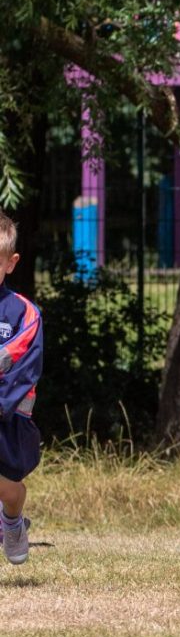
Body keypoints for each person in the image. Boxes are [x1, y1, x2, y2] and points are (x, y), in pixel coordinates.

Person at [0, 211, 43, 566]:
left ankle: (11, 519)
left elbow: (26, 368)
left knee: (11, 492)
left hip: (9, 421)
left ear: (11, 263)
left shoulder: (24, 314)